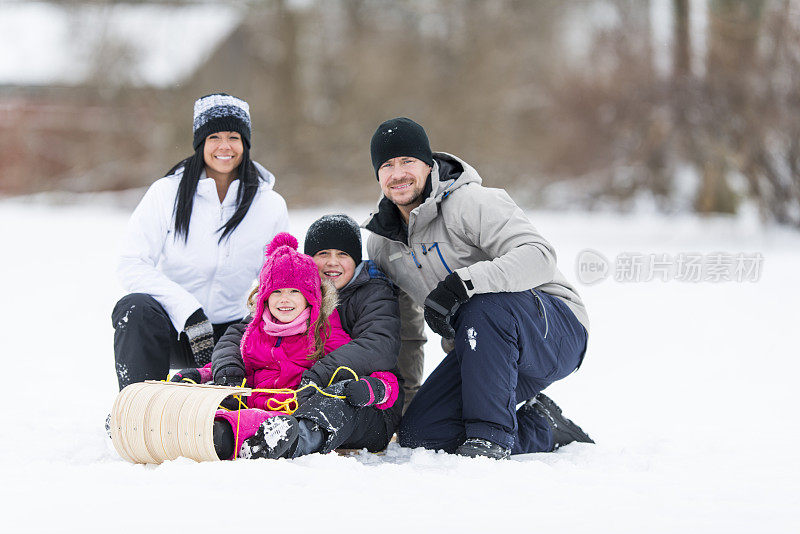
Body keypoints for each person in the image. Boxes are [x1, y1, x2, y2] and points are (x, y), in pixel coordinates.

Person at [362, 117, 593, 459]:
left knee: (480, 305)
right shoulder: (384, 247)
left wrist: (464, 284)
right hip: (483, 354)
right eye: (387, 165)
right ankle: (542, 426)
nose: (398, 173)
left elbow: (539, 255)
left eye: (408, 161)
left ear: (428, 164)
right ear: (378, 176)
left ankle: (491, 438)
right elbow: (407, 334)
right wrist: (405, 408)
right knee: (421, 434)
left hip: (553, 332)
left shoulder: (470, 203)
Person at [111, 93, 288, 390]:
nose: (224, 146)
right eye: (214, 136)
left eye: (234, 136)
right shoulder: (165, 194)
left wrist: (257, 312)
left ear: (245, 143)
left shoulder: (269, 204)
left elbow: (279, 275)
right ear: (200, 143)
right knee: (134, 308)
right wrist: (186, 310)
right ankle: (135, 408)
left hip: (236, 336)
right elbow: (131, 263)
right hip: (177, 328)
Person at [179, 232, 400, 460]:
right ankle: (220, 436)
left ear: (311, 297)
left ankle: (293, 440)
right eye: (276, 292)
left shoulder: (323, 331)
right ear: (264, 298)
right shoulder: (256, 330)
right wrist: (203, 374)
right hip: (260, 408)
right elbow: (237, 357)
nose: (285, 299)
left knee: (335, 399)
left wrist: (377, 389)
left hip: (302, 409)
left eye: (295, 292)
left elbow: (376, 368)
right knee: (231, 410)